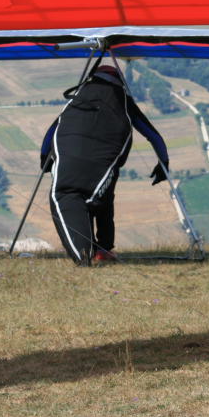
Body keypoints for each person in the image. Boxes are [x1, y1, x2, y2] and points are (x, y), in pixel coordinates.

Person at [41, 63, 169, 265]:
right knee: (102, 198)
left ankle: (85, 256)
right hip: (104, 163)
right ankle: (102, 249)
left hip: (71, 161)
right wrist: (163, 163)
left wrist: (45, 160)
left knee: (66, 194)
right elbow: (154, 136)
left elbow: (51, 133)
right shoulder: (123, 102)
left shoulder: (78, 99)